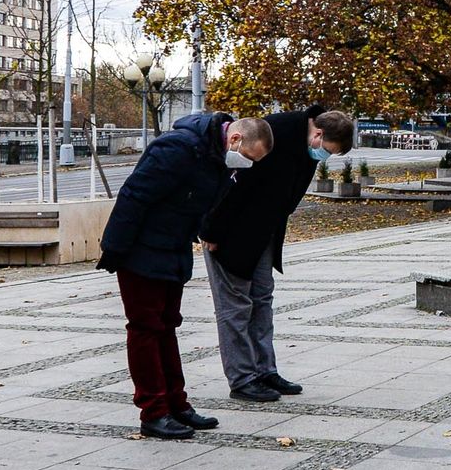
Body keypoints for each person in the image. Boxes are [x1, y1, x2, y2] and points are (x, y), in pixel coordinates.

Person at [98, 113, 274, 439]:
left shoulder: (217, 157)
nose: (247, 165)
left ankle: (176, 404)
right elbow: (135, 195)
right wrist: (115, 249)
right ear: (235, 139)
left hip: (173, 247)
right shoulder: (179, 148)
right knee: (146, 328)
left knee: (167, 326)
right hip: (142, 248)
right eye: (248, 158)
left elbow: (201, 206)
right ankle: (153, 411)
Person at [200, 106, 353, 402]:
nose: (325, 156)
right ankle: (243, 378)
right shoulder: (273, 132)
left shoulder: (307, 146)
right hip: (230, 233)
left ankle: (264, 370)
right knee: (234, 307)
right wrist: (211, 230)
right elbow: (232, 183)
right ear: (318, 133)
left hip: (263, 233)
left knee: (262, 299)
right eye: (328, 150)